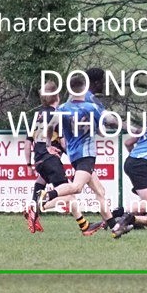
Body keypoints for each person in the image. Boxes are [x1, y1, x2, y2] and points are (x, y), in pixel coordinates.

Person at [37, 75, 120, 233]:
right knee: (77, 187)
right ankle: (47, 195)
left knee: (100, 191)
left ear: (69, 89)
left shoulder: (62, 108)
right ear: (85, 88)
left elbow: (50, 127)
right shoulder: (91, 107)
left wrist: (48, 144)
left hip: (73, 154)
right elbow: (104, 129)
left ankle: (114, 227)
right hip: (86, 154)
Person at [22, 81, 102, 236]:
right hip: (50, 159)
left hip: (39, 159)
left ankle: (35, 209)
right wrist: (76, 159)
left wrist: (29, 163)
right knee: (68, 195)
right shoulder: (57, 114)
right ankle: (34, 208)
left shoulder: (38, 115)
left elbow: (27, 142)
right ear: (57, 97)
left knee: (41, 182)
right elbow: (64, 141)